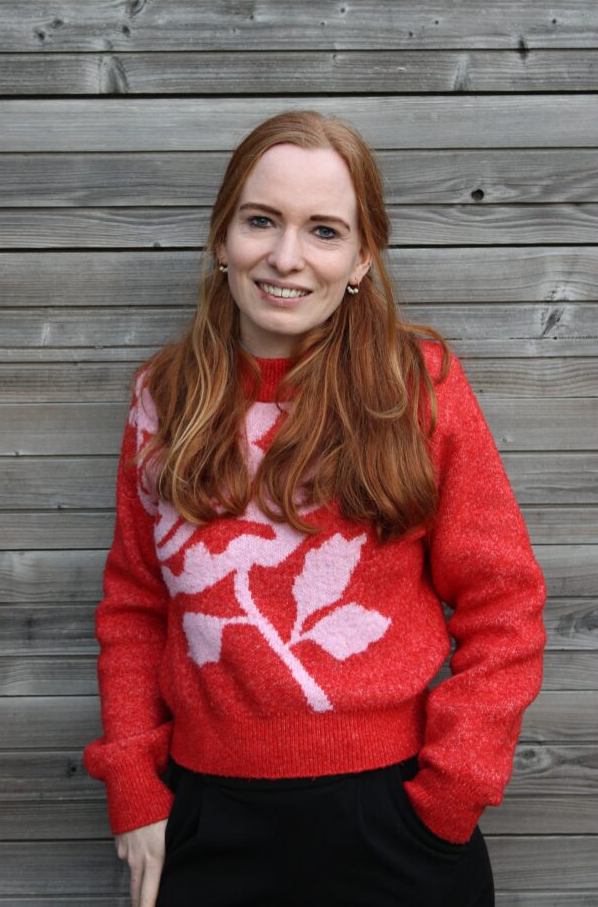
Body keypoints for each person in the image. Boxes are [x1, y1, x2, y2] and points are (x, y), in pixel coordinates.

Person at [82, 110, 547, 907]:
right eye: (261, 220)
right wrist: (134, 786)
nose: (286, 257)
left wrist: (450, 794)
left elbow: (504, 602)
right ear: (222, 235)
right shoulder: (163, 397)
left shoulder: (415, 389)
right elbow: (135, 605)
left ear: (361, 257)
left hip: (392, 825)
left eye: (323, 230)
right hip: (206, 821)